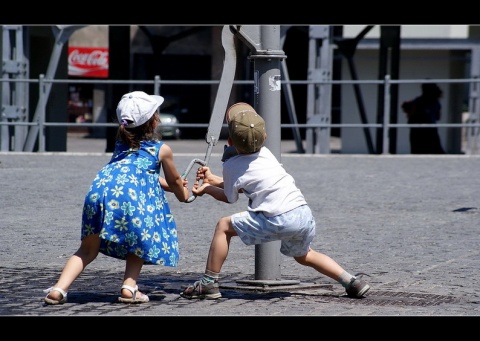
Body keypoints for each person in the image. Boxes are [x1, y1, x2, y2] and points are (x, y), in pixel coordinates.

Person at [180, 102, 371, 300]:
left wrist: (207, 189)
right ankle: (351, 282)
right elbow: (246, 182)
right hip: (302, 215)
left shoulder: (232, 165)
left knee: (223, 226)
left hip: (276, 218)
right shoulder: (266, 154)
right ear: (264, 137)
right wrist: (212, 179)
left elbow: (230, 196)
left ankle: (209, 283)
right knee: (305, 255)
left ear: (229, 140)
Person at [44, 91, 190, 305]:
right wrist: (185, 194)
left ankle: (58, 289)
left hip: (100, 192)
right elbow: (176, 180)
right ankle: (129, 288)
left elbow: (142, 174)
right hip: (130, 199)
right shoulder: (162, 149)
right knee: (138, 241)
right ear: (153, 121)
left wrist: (168, 186)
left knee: (87, 249)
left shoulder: (121, 144)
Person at [401, 82, 446, 154]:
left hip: (420, 130)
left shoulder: (419, 101)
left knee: (419, 152)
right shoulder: (435, 102)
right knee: (434, 151)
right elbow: (438, 117)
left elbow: (409, 110)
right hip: (428, 129)